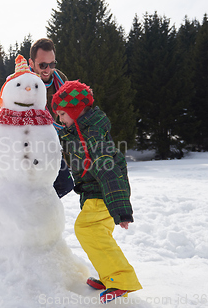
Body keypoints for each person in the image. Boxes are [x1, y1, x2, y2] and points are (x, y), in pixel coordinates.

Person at [51, 80, 142, 304]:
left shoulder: (92, 134)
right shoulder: (80, 129)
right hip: (95, 192)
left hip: (104, 192)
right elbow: (67, 138)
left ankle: (122, 280)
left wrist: (120, 209)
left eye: (62, 114)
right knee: (98, 234)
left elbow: (107, 169)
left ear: (74, 110)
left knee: (86, 229)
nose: (60, 119)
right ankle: (109, 275)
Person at [28, 38, 73, 197]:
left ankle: (39, 213)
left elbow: (70, 112)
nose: (48, 69)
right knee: (29, 189)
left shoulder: (61, 80)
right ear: (31, 63)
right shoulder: (21, 82)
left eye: (52, 64)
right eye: (42, 65)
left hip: (51, 143)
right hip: (27, 146)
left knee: (65, 184)